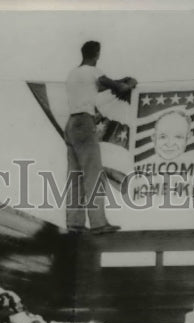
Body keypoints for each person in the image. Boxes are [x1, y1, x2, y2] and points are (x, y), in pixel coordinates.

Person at [65, 41, 136, 234]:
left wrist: (119, 81)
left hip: (71, 124)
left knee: (75, 174)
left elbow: (100, 87)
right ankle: (98, 223)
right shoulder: (94, 71)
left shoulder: (73, 74)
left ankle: (74, 223)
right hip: (85, 123)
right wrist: (129, 83)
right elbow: (118, 88)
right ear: (97, 53)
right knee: (93, 173)